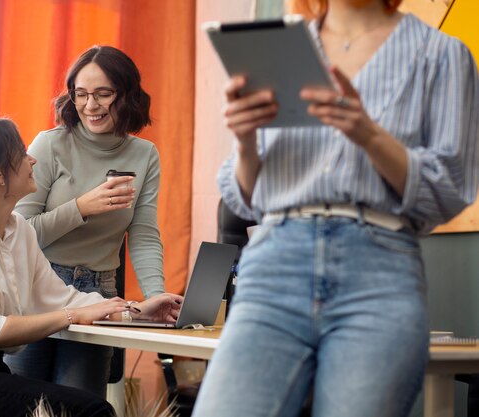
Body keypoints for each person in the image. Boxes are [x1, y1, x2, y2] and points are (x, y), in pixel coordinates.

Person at [192, 1, 479, 417]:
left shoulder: (442, 54)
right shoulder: (280, 51)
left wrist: (368, 135)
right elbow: (244, 199)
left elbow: (449, 190)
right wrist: (245, 141)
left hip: (378, 274)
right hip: (274, 267)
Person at [0, 118, 183, 417]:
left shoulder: (19, 229)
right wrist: (71, 316)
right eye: (21, 154)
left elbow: (65, 298)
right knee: (89, 410)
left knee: (82, 405)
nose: (31, 159)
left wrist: (138, 311)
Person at [4, 45, 165, 397]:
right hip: (36, 287)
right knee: (19, 404)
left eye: (103, 94)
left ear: (127, 95)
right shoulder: (49, 145)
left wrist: (155, 298)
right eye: (81, 94)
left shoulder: (144, 155)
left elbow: (144, 235)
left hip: (98, 295)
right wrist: (81, 207)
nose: (90, 106)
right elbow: (18, 233)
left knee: (81, 406)